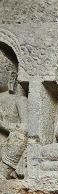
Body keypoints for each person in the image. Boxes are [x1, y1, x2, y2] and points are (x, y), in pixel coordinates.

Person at [0, 49, 27, 178]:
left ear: (11, 76)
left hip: (8, 146)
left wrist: (2, 124)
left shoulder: (19, 100)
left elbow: (26, 128)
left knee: (19, 137)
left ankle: (2, 173)